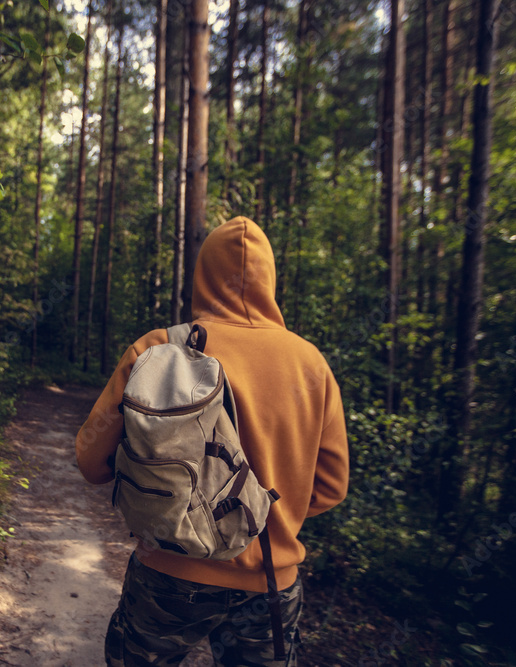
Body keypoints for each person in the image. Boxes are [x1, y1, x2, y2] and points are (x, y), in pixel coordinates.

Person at [75, 216, 350, 667]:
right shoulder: (311, 365)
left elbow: (91, 461)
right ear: (271, 278)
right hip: (269, 581)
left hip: (168, 573)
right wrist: (265, 512)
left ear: (201, 275)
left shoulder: (157, 349)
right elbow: (330, 488)